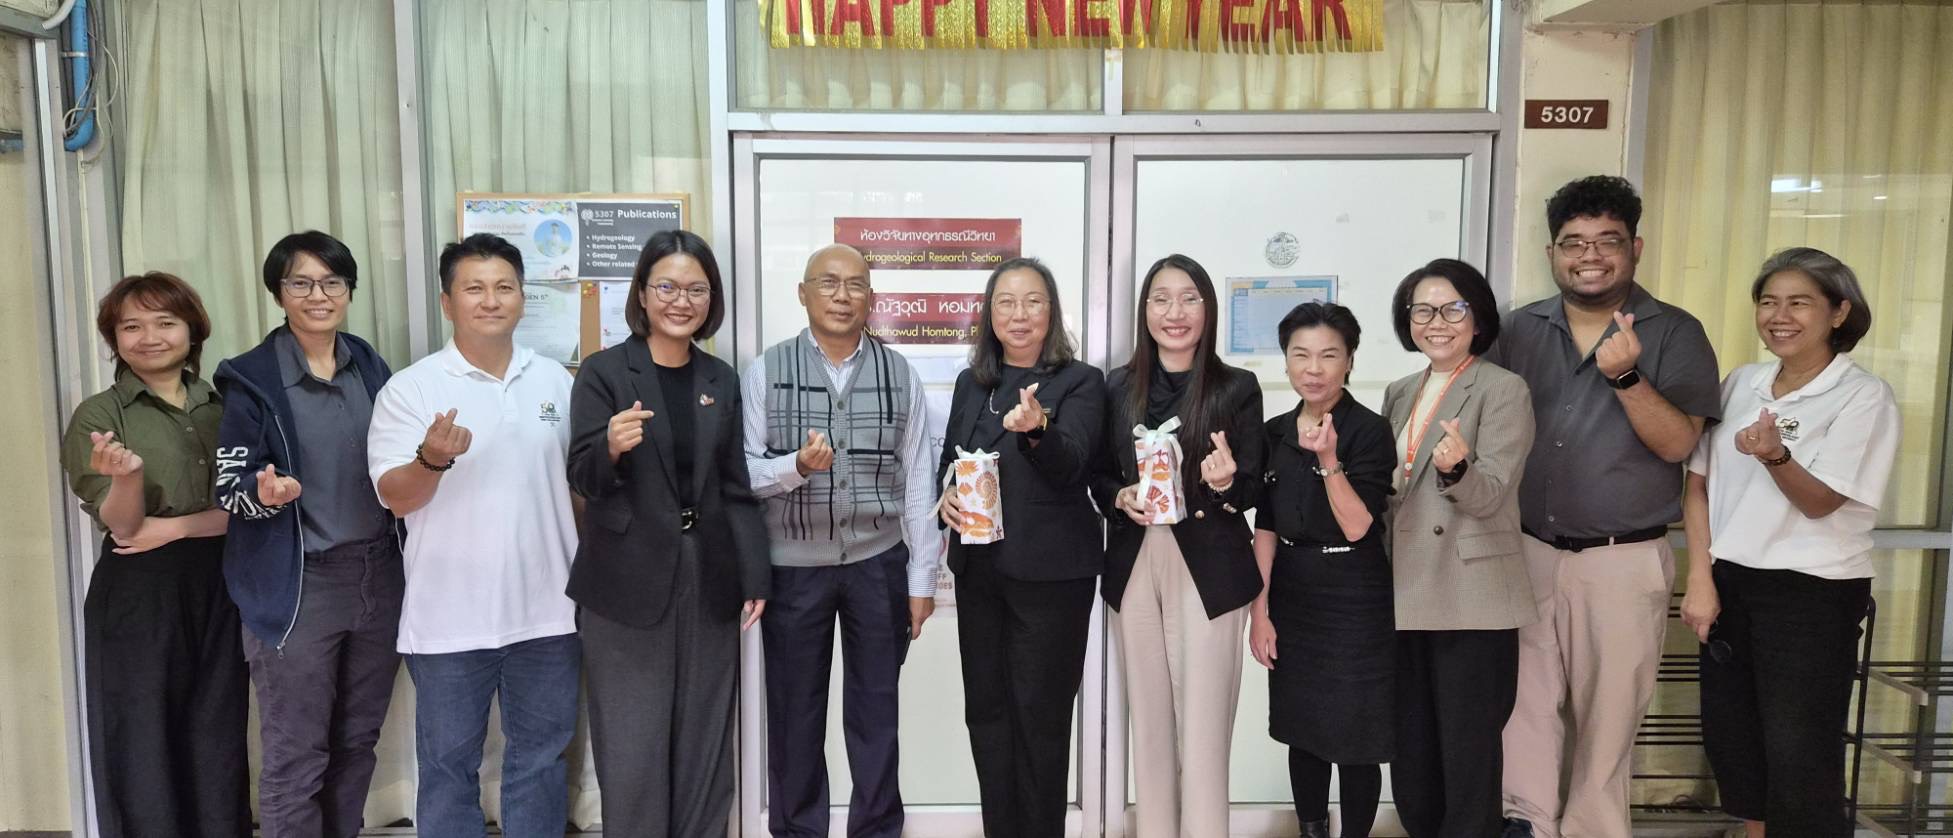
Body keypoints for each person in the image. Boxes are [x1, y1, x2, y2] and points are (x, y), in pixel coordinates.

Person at [1488, 175, 1722, 838]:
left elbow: (1678, 443)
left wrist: (1625, 376)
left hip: (1622, 560)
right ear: (1551, 252)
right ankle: (1528, 824)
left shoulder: (1675, 332)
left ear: (1634, 248)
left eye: (1606, 241)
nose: (1588, 255)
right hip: (1525, 551)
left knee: (1609, 717)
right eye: (1573, 243)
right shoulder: (1518, 329)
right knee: (1523, 708)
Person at [365, 234, 580, 838]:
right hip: (448, 622)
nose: (491, 300)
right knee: (447, 769)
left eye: (504, 287)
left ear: (522, 297)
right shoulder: (412, 389)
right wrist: (431, 459)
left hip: (548, 616)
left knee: (541, 762)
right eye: (474, 288)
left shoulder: (556, 382)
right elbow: (395, 497)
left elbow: (578, 488)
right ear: (447, 302)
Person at [1680, 248, 1896, 837]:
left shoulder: (1862, 395)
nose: (1780, 316)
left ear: (1838, 312)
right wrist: (1700, 578)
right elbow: (1697, 485)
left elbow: (1821, 501)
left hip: (1812, 593)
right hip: (1730, 584)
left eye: (1799, 303)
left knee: (1800, 753)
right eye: (1769, 302)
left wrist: (1775, 455)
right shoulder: (1740, 383)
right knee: (1737, 744)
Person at [567, 230, 770, 837]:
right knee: (633, 742)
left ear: (712, 298)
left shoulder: (719, 378)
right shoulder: (605, 372)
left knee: (704, 738)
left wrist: (755, 574)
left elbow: (734, 485)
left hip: (708, 575)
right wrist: (609, 446)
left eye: (696, 290)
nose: (682, 301)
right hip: (625, 582)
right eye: (667, 287)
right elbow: (582, 477)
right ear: (642, 293)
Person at [743, 244, 941, 838]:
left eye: (855, 284)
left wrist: (922, 582)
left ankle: (877, 829)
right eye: (827, 283)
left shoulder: (899, 373)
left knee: (877, 714)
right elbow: (742, 473)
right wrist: (796, 468)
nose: (841, 295)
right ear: (802, 293)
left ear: (871, 299)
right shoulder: (766, 370)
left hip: (878, 563)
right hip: (792, 568)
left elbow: (919, 483)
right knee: (795, 716)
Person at [211, 231, 403, 838]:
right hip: (299, 586)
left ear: (349, 290)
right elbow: (230, 487)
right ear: (278, 293)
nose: (318, 295)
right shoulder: (251, 378)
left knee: (357, 740)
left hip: (379, 577)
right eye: (301, 282)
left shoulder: (366, 362)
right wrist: (264, 495)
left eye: (332, 282)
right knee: (297, 754)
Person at [59, 272, 248, 838]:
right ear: (114, 338)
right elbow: (125, 528)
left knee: (217, 734)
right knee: (140, 737)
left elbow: (250, 510)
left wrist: (175, 527)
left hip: (223, 581)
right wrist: (128, 479)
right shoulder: (99, 416)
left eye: (165, 322)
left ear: (192, 330)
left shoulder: (228, 406)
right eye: (131, 326)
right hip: (138, 589)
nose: (149, 337)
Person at [1092, 253, 1264, 838]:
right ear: (1144, 310)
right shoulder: (1118, 386)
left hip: (1209, 567)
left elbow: (1252, 485)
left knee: (1204, 726)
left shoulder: (1236, 387)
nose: (1175, 312)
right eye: (1162, 299)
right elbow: (1098, 474)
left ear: (1208, 309)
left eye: (1189, 298)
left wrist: (1225, 484)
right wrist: (1120, 496)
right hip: (1135, 560)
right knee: (1149, 722)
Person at [935, 257, 1105, 838]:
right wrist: (945, 496)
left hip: (1052, 578)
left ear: (1051, 311)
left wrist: (1037, 430)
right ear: (989, 314)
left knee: (1041, 722)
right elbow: (950, 461)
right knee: (987, 716)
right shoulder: (972, 383)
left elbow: (1074, 466)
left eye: (1033, 301)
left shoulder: (1081, 381)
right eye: (1005, 302)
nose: (1019, 314)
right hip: (980, 572)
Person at [1380, 260, 1537, 838]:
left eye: (1453, 308)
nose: (1437, 322)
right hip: (1403, 592)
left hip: (1470, 595)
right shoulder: (1400, 392)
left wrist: (1457, 469)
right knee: (1412, 745)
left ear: (1478, 318)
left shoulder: (1503, 389)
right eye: (1423, 310)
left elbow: (1492, 493)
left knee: (1468, 752)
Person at [1249, 302, 1394, 838]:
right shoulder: (1273, 432)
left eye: (1329, 355)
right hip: (1292, 593)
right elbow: (1266, 526)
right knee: (1302, 729)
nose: (1314, 369)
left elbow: (1358, 526)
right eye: (1301, 355)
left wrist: (1329, 460)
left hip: (1356, 596)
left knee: (1358, 737)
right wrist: (1260, 612)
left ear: (1349, 360)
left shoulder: (1370, 430)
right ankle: (1311, 830)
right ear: (1286, 360)